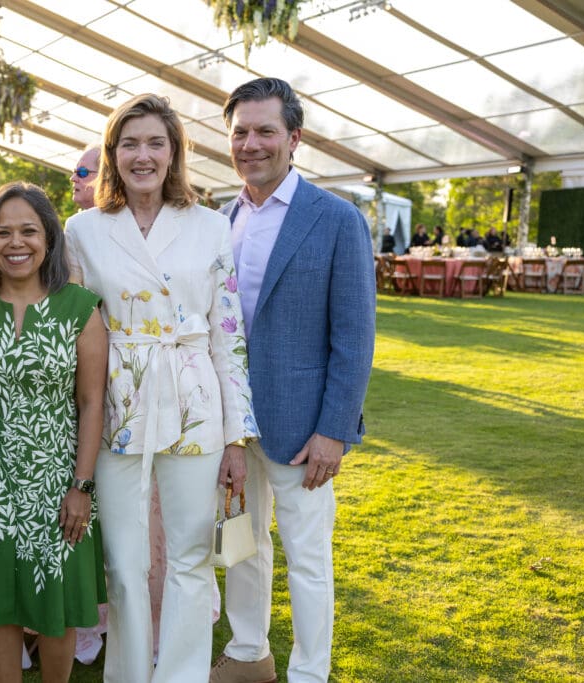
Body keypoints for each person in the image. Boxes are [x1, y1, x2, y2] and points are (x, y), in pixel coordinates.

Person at [65, 93, 258, 682]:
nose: (142, 155)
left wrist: (236, 436)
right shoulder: (83, 230)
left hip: (196, 403)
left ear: (174, 152)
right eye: (129, 143)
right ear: (111, 154)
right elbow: (74, 333)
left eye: (155, 142)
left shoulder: (209, 226)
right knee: (123, 565)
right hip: (117, 406)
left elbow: (228, 334)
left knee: (191, 560)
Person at [213, 77, 376, 683]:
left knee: (308, 559)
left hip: (305, 429)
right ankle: (251, 652)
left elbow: (354, 337)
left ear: (294, 139)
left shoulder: (336, 219)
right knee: (241, 550)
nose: (251, 144)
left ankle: (311, 673)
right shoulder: (218, 219)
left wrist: (334, 430)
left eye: (265, 131)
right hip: (232, 426)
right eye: (240, 132)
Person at [0, 181, 108, 682]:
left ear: (49, 239)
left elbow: (91, 404)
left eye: (28, 231)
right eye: (2, 233)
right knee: (0, 600)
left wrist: (81, 487)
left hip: (56, 477)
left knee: (55, 601)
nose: (15, 243)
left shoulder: (80, 308)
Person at [70, 146, 101, 211]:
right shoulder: (79, 220)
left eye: (82, 171)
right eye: (74, 171)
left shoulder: (125, 219)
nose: (72, 178)